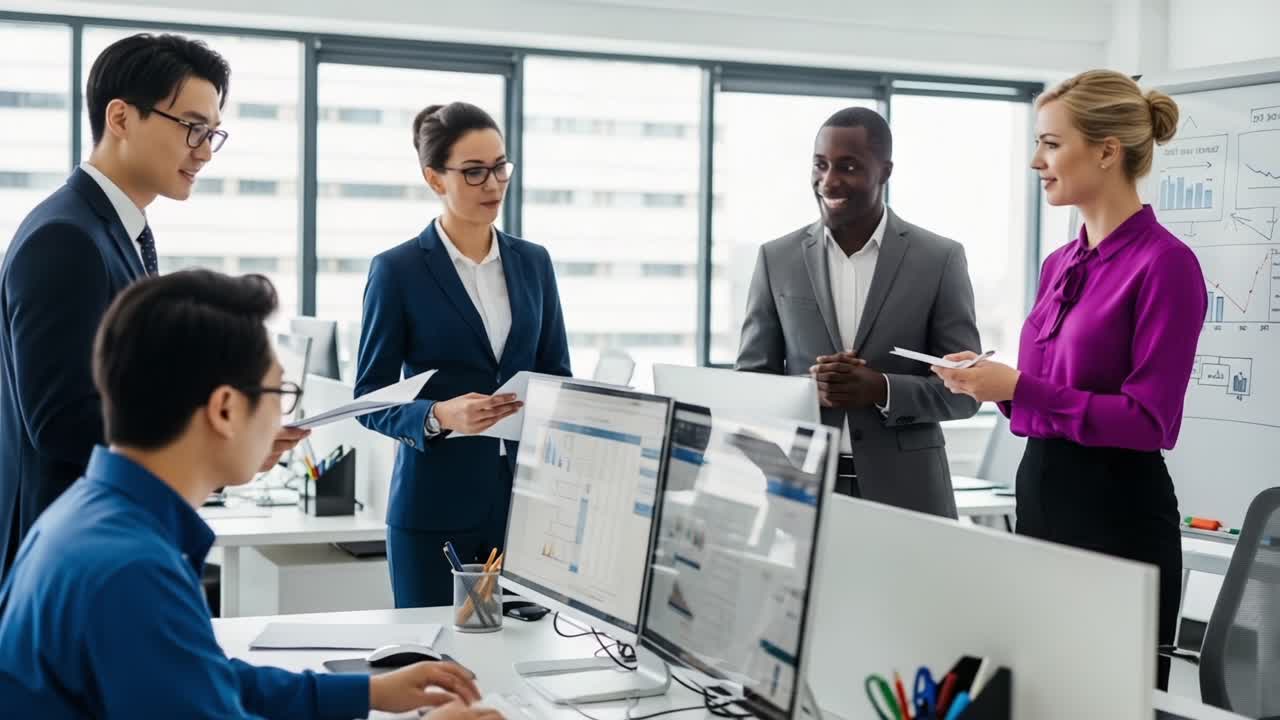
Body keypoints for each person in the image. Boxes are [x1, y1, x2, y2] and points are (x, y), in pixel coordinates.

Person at [0, 270, 502, 720]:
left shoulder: (92, 518)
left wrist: (364, 692)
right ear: (225, 410)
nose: (283, 417)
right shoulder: (130, 570)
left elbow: (204, 678)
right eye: (280, 395)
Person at [932, 69, 1203, 690]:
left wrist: (1018, 389)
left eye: (1052, 144)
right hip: (1041, 498)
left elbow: (1150, 422)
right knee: (1038, 695)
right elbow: (1045, 398)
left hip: (1117, 516)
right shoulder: (1059, 263)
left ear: (1107, 151)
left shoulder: (1166, 265)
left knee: (1106, 699)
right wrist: (990, 386)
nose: (1036, 161)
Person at [0, 33, 306, 579]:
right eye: (192, 127)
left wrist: (231, 442)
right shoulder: (65, 238)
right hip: (76, 550)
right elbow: (60, 421)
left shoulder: (113, 230)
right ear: (121, 117)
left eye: (212, 134)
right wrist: (209, 443)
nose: (204, 151)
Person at [357, 102, 571, 607]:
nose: (493, 184)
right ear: (434, 177)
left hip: (522, 508)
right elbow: (369, 398)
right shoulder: (397, 271)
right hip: (432, 510)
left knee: (522, 648)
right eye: (474, 172)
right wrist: (439, 415)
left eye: (500, 167)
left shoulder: (533, 263)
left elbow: (557, 373)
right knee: (433, 648)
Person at [736, 107, 982, 517]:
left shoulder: (940, 259)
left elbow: (966, 392)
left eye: (847, 167)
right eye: (820, 165)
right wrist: (808, 391)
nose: (829, 180)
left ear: (885, 171)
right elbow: (749, 384)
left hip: (910, 497)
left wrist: (882, 389)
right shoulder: (776, 259)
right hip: (804, 494)